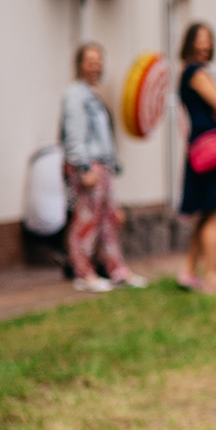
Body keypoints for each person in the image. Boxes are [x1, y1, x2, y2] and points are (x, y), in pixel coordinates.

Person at [58, 42, 147, 292]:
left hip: (103, 166)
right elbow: (74, 134)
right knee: (86, 221)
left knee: (109, 221)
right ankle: (83, 272)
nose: (95, 66)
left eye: (98, 60)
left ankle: (116, 269)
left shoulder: (94, 95)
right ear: (79, 65)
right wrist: (83, 166)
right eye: (90, 60)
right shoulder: (75, 95)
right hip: (88, 167)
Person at [176, 21, 216, 294]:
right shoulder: (197, 72)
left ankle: (189, 271)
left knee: (205, 211)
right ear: (190, 42)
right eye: (199, 39)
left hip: (200, 147)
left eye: (208, 40)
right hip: (210, 149)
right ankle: (211, 277)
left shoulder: (188, 73)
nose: (204, 45)